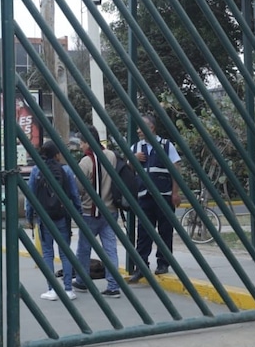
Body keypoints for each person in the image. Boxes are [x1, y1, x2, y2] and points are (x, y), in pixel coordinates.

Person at [127, 114, 181, 283]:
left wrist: (175, 192)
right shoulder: (136, 147)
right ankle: (141, 266)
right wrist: (132, 159)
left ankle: (163, 263)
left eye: (141, 127)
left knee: (165, 230)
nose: (138, 131)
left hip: (163, 195)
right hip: (144, 196)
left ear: (151, 128)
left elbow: (176, 169)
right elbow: (127, 169)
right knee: (143, 232)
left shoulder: (166, 145)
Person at [25, 140, 82, 301]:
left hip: (44, 218)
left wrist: (30, 217)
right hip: (62, 216)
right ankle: (68, 289)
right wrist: (78, 212)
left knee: (48, 254)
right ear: (57, 155)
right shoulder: (66, 170)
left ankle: (52, 290)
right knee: (65, 253)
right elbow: (74, 195)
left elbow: (30, 197)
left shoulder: (36, 170)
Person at [71, 125, 122, 298]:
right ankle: (114, 285)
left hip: (90, 212)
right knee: (110, 249)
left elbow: (77, 187)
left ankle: (82, 280)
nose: (81, 146)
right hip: (111, 210)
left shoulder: (85, 162)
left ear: (87, 142)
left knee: (84, 248)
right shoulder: (111, 156)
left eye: (82, 143)